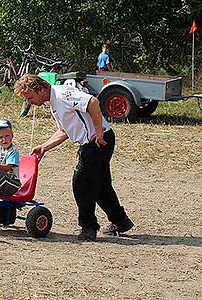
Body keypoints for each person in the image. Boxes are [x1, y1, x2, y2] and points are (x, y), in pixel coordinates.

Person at [14, 74, 133, 242]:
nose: (29, 102)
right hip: (94, 141)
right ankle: (121, 221)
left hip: (98, 141)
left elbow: (92, 102)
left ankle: (88, 228)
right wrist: (44, 147)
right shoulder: (53, 103)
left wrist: (98, 131)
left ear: (40, 90)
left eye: (30, 98)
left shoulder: (62, 94)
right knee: (100, 185)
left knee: (82, 184)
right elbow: (65, 131)